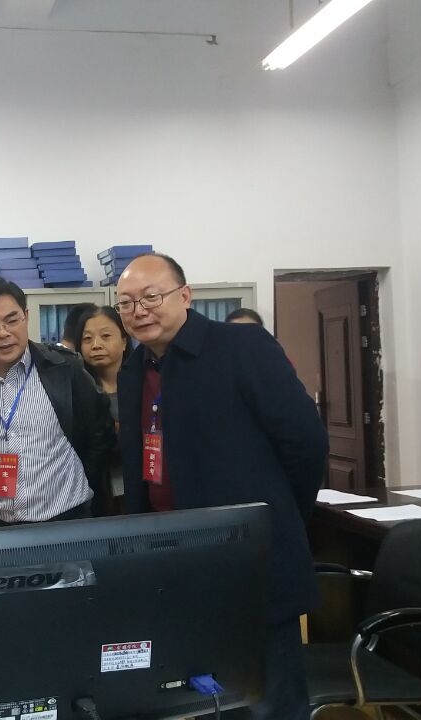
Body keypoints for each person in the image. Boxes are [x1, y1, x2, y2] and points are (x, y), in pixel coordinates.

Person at [114, 253, 328, 720]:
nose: (139, 310)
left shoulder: (241, 347)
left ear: (185, 296)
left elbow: (306, 444)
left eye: (151, 297)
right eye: (126, 303)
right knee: (205, 701)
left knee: (269, 702)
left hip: (250, 560)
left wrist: (275, 517)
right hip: (174, 564)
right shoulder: (134, 371)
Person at [0, 278, 114, 526]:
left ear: (26, 317)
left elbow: (99, 433)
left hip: (67, 520)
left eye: (12, 320)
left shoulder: (65, 369)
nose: (3, 333)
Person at [77, 306, 130, 513]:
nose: (96, 345)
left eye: (106, 336)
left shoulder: (142, 384)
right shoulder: (77, 391)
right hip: (94, 491)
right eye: (87, 339)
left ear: (124, 341)